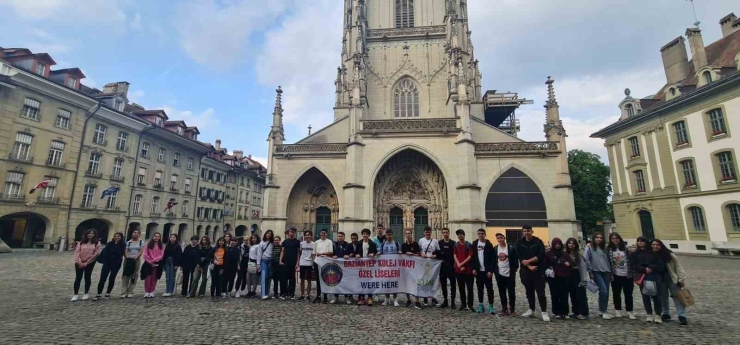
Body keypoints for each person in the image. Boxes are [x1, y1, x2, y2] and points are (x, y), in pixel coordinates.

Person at [516, 225, 549, 322]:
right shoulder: (519, 242)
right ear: (523, 232)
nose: (527, 232)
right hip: (526, 270)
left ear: (532, 231)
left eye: (528, 231)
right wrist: (529, 266)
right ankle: (531, 309)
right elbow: (519, 256)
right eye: (525, 231)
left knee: (541, 292)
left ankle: (544, 311)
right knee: (529, 291)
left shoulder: (538, 241)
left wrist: (529, 261)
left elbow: (541, 254)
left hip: (538, 269)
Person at [635, 238, 668, 324]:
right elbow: (636, 265)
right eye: (653, 245)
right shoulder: (639, 253)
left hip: (656, 276)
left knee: (657, 296)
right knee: (645, 296)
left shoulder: (657, 254)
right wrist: (644, 269)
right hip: (643, 276)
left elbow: (661, 266)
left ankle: (658, 314)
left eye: (642, 241)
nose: (655, 246)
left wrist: (651, 268)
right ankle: (649, 314)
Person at [657, 239, 689, 325]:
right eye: (653, 245)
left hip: (672, 278)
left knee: (677, 296)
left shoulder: (669, 254)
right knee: (663, 296)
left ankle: (682, 315)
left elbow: (678, 266)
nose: (655, 246)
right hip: (660, 278)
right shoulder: (651, 255)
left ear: (661, 245)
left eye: (657, 245)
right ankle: (665, 313)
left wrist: (681, 279)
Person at [585, 232, 614, 319]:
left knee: (606, 293)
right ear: (594, 238)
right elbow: (586, 260)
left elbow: (610, 260)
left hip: (607, 272)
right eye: (597, 237)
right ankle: (603, 311)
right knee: (603, 291)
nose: (599, 239)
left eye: (601, 237)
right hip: (596, 272)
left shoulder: (605, 248)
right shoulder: (589, 248)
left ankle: (602, 310)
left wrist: (611, 273)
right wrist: (590, 272)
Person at [608, 232, 635, 319]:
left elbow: (632, 260)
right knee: (616, 293)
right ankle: (617, 310)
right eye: (613, 238)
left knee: (628, 294)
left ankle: (629, 311)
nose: (615, 240)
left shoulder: (626, 248)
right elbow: (608, 262)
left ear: (620, 238)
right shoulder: (609, 249)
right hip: (616, 274)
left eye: (616, 238)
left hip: (627, 275)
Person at [546, 238, 573, 319]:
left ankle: (565, 312)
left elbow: (571, 263)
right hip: (553, 277)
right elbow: (545, 263)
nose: (557, 245)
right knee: (555, 295)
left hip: (564, 277)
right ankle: (556, 311)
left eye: (559, 244)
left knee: (564, 295)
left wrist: (568, 264)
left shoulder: (564, 254)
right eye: (556, 244)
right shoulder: (549, 254)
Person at [94, 231, 125, 301]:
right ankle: (98, 293)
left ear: (121, 238)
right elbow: (106, 253)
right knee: (102, 278)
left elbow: (120, 253)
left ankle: (108, 293)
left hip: (116, 264)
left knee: (112, 278)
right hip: (107, 263)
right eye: (115, 236)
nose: (116, 237)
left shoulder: (122, 245)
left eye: (118, 236)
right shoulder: (109, 244)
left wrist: (116, 246)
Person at [71, 229, 101, 301]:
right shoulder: (80, 243)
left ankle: (86, 293)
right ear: (86, 234)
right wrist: (79, 262)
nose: (90, 234)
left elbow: (96, 254)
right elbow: (77, 253)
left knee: (87, 277)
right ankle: (75, 294)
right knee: (78, 278)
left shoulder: (97, 243)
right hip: (79, 262)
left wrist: (86, 263)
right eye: (89, 233)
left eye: (92, 233)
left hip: (90, 263)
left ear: (94, 235)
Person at [471, 228, 495, 315]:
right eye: (479, 233)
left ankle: (491, 306)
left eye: (482, 233)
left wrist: (491, 271)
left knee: (489, 289)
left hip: (487, 271)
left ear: (485, 234)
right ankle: (481, 304)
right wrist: (473, 268)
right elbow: (472, 257)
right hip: (478, 271)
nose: (480, 235)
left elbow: (493, 259)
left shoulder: (489, 244)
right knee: (479, 288)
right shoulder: (474, 244)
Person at [493, 233, 518, 316]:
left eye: (501, 237)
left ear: (504, 238)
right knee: (502, 291)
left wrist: (514, 269)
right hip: (499, 273)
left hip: (509, 273)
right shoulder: (496, 248)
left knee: (511, 291)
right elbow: (494, 260)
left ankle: (512, 309)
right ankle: (504, 308)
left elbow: (515, 259)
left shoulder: (510, 248)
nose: (500, 239)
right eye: (498, 238)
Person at [565, 238, 589, 320]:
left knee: (580, 294)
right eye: (569, 243)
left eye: (573, 243)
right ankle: (575, 311)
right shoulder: (565, 254)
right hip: (568, 275)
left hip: (577, 274)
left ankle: (583, 312)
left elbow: (582, 267)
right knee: (573, 293)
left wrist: (583, 279)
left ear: (575, 245)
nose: (571, 245)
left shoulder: (578, 254)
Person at [354, 228, 378, 306]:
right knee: (361, 282)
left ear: (369, 235)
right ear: (362, 235)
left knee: (369, 282)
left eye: (366, 234)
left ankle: (370, 297)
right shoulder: (359, 243)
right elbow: (356, 253)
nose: (365, 235)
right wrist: (356, 255)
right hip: (361, 266)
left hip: (369, 266)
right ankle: (361, 298)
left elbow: (375, 252)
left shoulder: (372, 243)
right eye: (364, 234)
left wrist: (373, 254)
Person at [379, 229, 402, 307]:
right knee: (386, 283)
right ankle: (387, 298)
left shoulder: (396, 243)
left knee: (394, 284)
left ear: (392, 235)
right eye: (387, 234)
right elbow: (380, 254)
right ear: (385, 235)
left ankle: (395, 299)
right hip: (385, 268)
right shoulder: (382, 244)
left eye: (390, 234)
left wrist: (400, 253)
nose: (389, 236)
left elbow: (400, 254)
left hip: (394, 268)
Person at [418, 226, 440, 306]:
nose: (427, 233)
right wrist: (421, 253)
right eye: (426, 232)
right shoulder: (421, 241)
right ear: (424, 233)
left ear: (431, 232)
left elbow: (438, 251)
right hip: (424, 264)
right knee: (425, 281)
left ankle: (434, 298)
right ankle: (425, 298)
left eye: (429, 232)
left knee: (433, 281)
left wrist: (435, 255)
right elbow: (419, 250)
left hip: (433, 264)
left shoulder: (435, 241)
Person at [453, 229, 474, 312]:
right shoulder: (456, 245)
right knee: (461, 288)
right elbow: (455, 255)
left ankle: (470, 305)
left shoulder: (469, 245)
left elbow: (470, 256)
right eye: (458, 235)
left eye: (461, 234)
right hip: (459, 271)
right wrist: (458, 264)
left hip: (468, 270)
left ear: (464, 235)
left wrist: (461, 264)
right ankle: (463, 304)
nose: (460, 236)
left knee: (470, 289)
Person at [401, 229, 423, 310]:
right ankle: (408, 300)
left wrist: (412, 254)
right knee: (407, 284)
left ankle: (417, 301)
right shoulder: (403, 245)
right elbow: (402, 256)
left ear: (411, 234)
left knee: (416, 284)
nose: (407, 235)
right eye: (406, 233)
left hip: (415, 268)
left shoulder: (416, 244)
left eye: (409, 233)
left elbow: (418, 254)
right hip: (406, 268)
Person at [436, 227, 456, 309]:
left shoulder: (453, 243)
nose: (445, 234)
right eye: (443, 232)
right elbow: (437, 253)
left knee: (453, 284)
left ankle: (453, 301)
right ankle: (445, 301)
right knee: (443, 285)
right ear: (442, 233)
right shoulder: (439, 243)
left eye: (446, 232)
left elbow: (455, 255)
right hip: (442, 267)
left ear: (449, 233)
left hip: (451, 266)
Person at [332, 231, 354, 304]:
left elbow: (352, 253)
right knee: (336, 281)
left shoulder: (348, 245)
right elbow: (331, 254)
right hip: (337, 266)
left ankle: (347, 297)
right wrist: (333, 256)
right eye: (339, 236)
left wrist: (349, 255)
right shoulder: (334, 245)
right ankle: (336, 296)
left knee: (346, 282)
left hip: (346, 267)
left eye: (341, 236)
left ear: (344, 237)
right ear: (337, 237)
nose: (340, 237)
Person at [120, 229, 144, 298]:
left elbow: (141, 251)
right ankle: (123, 292)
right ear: (132, 233)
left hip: (136, 260)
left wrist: (136, 257)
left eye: (137, 233)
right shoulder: (128, 242)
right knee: (125, 275)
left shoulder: (141, 242)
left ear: (139, 234)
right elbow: (126, 251)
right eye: (134, 232)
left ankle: (130, 291)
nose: (135, 234)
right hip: (128, 260)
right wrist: (127, 257)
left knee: (134, 275)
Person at [141, 232, 165, 298]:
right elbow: (145, 254)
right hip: (148, 263)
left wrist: (155, 260)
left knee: (154, 278)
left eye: (158, 236)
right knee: (148, 278)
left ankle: (151, 291)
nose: (156, 237)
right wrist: (150, 262)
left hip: (157, 263)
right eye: (155, 236)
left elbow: (161, 254)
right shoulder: (148, 244)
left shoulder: (161, 245)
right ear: (153, 237)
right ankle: (146, 291)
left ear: (160, 237)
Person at [313, 228, 333, 303]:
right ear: (320, 234)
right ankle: (318, 295)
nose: (323, 234)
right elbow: (314, 252)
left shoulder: (329, 241)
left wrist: (323, 254)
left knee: (325, 280)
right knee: (318, 280)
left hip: (325, 262)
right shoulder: (316, 242)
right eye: (322, 233)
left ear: (326, 234)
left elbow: (331, 252)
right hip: (317, 262)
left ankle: (325, 296)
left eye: (324, 233)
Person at [280, 228, 301, 299]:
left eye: (293, 232)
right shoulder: (285, 241)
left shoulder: (297, 241)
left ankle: (292, 293)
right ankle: (284, 293)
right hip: (285, 261)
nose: (291, 233)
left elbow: (298, 253)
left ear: (295, 233)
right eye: (290, 232)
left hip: (293, 261)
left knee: (292, 278)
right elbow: (282, 251)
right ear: (288, 233)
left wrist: (298, 263)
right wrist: (280, 260)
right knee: (284, 278)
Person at [256, 230, 275, 300]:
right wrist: (258, 264)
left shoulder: (272, 243)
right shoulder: (261, 243)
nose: (269, 235)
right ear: (265, 234)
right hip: (264, 261)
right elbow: (259, 254)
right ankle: (263, 293)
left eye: (270, 234)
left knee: (269, 277)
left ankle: (267, 292)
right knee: (264, 276)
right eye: (268, 233)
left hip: (270, 261)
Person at [298, 231, 315, 301]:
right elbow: (300, 253)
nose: (307, 236)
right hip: (302, 263)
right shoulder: (301, 243)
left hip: (309, 263)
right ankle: (302, 294)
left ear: (311, 236)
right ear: (304, 236)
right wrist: (298, 262)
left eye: (309, 235)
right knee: (302, 279)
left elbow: (314, 254)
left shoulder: (314, 244)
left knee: (309, 280)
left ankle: (308, 294)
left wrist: (313, 262)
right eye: (306, 235)